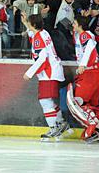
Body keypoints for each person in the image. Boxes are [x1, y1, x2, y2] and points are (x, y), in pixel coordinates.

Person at [21, 13, 71, 141]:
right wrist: (26, 23)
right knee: (48, 101)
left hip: (48, 73)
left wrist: (29, 72)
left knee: (45, 101)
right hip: (53, 71)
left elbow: (42, 58)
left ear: (34, 24)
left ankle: (54, 129)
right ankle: (61, 124)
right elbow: (33, 35)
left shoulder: (39, 37)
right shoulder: (44, 33)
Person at [67, 15, 99, 143]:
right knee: (92, 104)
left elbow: (89, 46)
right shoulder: (82, 35)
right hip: (98, 72)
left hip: (91, 72)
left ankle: (92, 127)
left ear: (80, 25)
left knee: (79, 102)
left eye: (74, 23)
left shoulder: (85, 35)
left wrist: (82, 65)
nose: (73, 25)